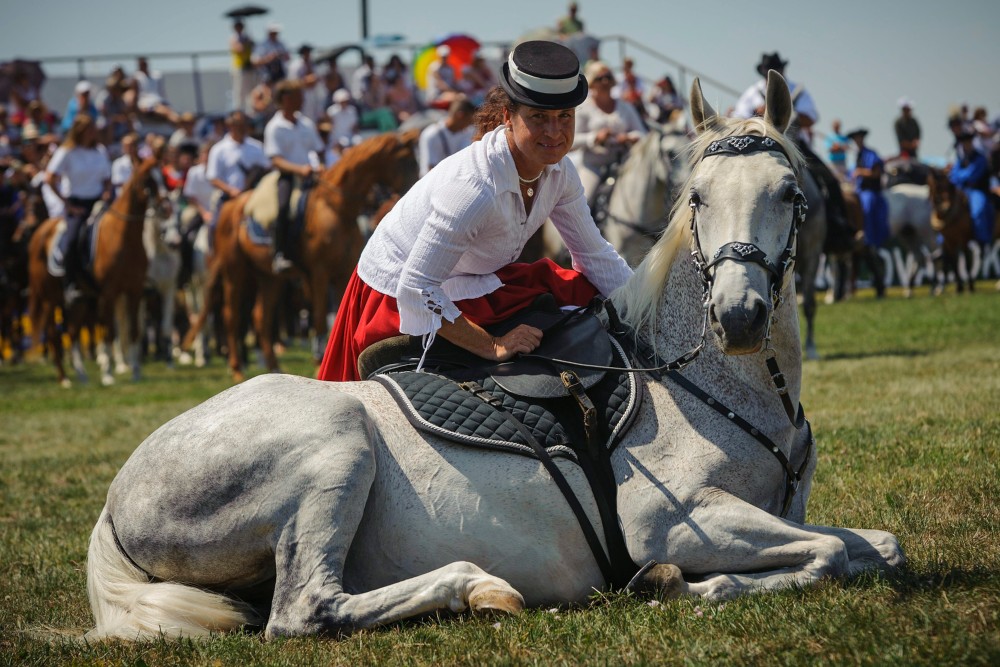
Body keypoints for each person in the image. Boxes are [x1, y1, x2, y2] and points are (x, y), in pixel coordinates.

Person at [317, 40, 633, 382]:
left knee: (576, 292)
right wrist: (492, 345)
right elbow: (417, 289)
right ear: (508, 117)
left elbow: (594, 256)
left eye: (564, 117)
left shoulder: (561, 172)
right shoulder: (476, 187)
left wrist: (647, 310)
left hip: (467, 281)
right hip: (394, 297)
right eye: (539, 117)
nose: (554, 132)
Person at [44, 114, 112, 304]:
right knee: (73, 238)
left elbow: (107, 179)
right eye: (90, 128)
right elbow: (49, 178)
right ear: (81, 130)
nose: (94, 132)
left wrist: (107, 193)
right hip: (78, 204)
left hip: (98, 202)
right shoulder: (67, 152)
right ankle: (70, 282)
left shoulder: (99, 151)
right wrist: (67, 204)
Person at [263, 79, 324, 273]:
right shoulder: (274, 127)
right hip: (288, 177)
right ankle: (280, 253)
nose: (303, 100)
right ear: (287, 99)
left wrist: (319, 165)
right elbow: (276, 160)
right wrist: (299, 170)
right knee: (283, 207)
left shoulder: (306, 123)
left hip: (312, 175)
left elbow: (318, 149)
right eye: (299, 96)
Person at [569, 60, 646, 209]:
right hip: (594, 166)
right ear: (591, 82)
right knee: (582, 203)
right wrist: (595, 138)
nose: (605, 81)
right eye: (600, 78)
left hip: (624, 166)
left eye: (608, 77)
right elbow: (571, 140)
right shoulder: (583, 108)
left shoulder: (626, 107)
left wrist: (629, 137)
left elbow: (643, 134)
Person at [206, 110, 270, 236]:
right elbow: (213, 178)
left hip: (254, 196)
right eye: (238, 124)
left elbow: (267, 168)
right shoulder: (219, 149)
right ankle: (213, 252)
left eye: (244, 124)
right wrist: (230, 190)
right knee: (214, 225)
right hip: (229, 197)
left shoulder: (257, 147)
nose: (242, 127)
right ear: (229, 125)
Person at [847, 128, 888, 298]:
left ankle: (867, 234)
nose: (857, 141)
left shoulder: (871, 154)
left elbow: (876, 173)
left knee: (866, 206)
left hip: (870, 193)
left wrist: (860, 172)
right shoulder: (857, 156)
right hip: (860, 192)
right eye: (855, 139)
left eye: (859, 138)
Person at [949, 130, 995, 252]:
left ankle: (982, 241)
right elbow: (952, 176)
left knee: (977, 211)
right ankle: (942, 242)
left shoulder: (980, 158)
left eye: (968, 142)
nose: (966, 145)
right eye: (963, 142)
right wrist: (958, 177)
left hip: (977, 191)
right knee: (947, 212)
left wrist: (959, 176)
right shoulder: (961, 160)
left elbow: (971, 175)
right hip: (962, 191)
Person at [417, 95, 476, 177]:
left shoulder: (467, 133)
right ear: (460, 115)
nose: (469, 125)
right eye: (469, 121)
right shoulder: (431, 135)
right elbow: (430, 170)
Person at [132, 57, 181, 125]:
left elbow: (162, 92)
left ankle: (180, 123)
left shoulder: (156, 75)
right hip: (147, 105)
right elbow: (135, 95)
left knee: (169, 112)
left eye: (144, 64)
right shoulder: (137, 77)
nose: (143, 66)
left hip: (159, 102)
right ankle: (180, 124)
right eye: (141, 64)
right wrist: (136, 110)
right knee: (167, 113)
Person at [287, 43, 324, 122]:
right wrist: (307, 80)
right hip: (301, 95)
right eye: (306, 52)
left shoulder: (312, 64)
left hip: (313, 95)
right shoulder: (295, 65)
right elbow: (294, 82)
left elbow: (318, 78)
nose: (308, 54)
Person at [229, 19, 255, 113]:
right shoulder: (233, 38)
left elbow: (253, 46)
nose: (239, 28)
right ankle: (239, 112)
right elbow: (239, 49)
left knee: (250, 92)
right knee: (239, 93)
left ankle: (250, 112)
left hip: (249, 68)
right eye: (237, 26)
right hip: (239, 68)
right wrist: (245, 43)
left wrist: (249, 42)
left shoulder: (247, 37)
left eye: (241, 26)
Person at [612, 57, 646, 123]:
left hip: (636, 106)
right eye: (626, 64)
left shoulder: (638, 78)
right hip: (622, 106)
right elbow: (615, 94)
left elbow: (641, 92)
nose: (628, 66)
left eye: (629, 64)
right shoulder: (618, 78)